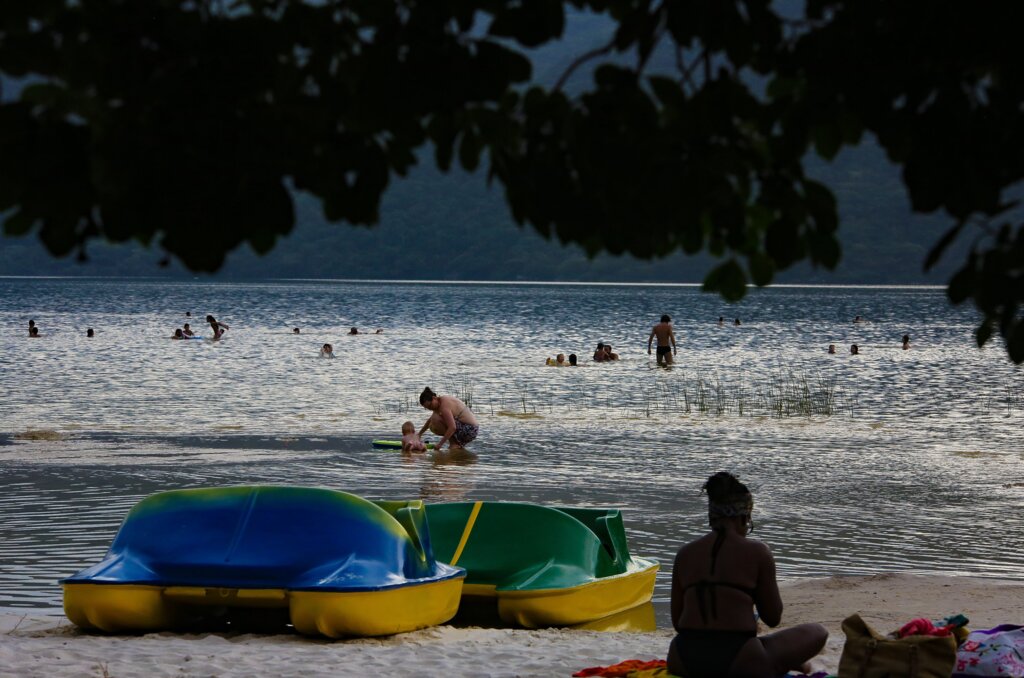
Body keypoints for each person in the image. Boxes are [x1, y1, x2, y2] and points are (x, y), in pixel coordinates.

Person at [668, 472, 827, 678]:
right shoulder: (758, 552)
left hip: (682, 658)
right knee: (817, 632)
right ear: (744, 517)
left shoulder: (685, 554)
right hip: (739, 659)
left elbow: (678, 622)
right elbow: (772, 617)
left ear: (711, 516)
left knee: (758, 649)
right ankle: (780, 665)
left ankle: (776, 662)